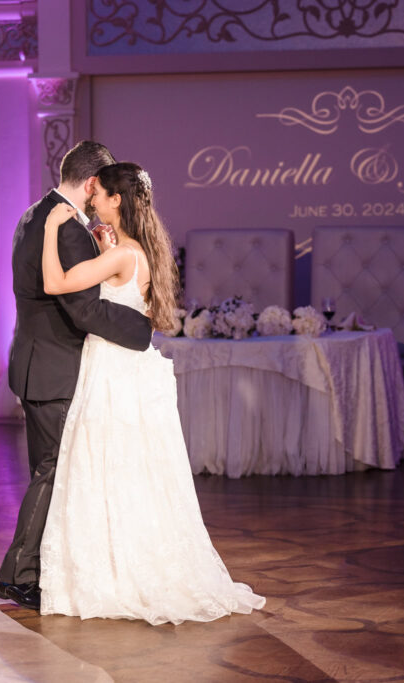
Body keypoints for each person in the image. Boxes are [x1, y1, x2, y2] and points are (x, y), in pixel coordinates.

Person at [37, 162, 266, 625]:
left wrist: (49, 229)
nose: (92, 201)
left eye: (99, 195)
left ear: (116, 200)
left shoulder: (125, 255)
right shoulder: (132, 250)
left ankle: (118, 576)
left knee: (106, 466)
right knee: (125, 469)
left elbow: (54, 284)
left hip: (112, 371)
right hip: (124, 368)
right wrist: (106, 245)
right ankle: (125, 566)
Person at [0, 142, 154, 610]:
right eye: (101, 188)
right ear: (90, 184)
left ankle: (41, 568)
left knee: (47, 472)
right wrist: (140, 328)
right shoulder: (65, 229)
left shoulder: (34, 214)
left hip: (34, 362)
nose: (101, 197)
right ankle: (18, 575)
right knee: (52, 473)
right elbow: (83, 309)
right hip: (54, 368)